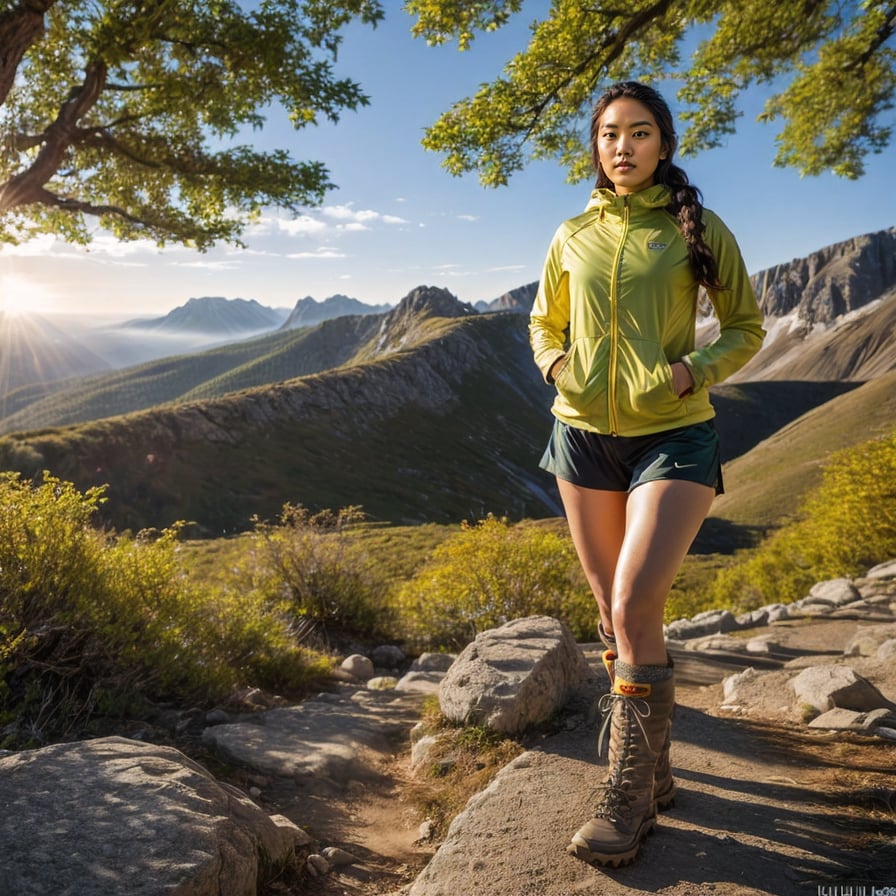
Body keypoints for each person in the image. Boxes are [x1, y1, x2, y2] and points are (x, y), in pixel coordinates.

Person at [529, 80, 765, 867]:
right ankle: (657, 770)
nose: (621, 146)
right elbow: (542, 321)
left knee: (634, 602)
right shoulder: (571, 234)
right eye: (607, 134)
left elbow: (745, 327)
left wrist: (688, 373)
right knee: (613, 615)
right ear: (595, 147)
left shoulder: (695, 227)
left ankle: (626, 794)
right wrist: (557, 362)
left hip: (675, 436)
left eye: (637, 132)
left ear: (663, 142)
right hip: (582, 439)